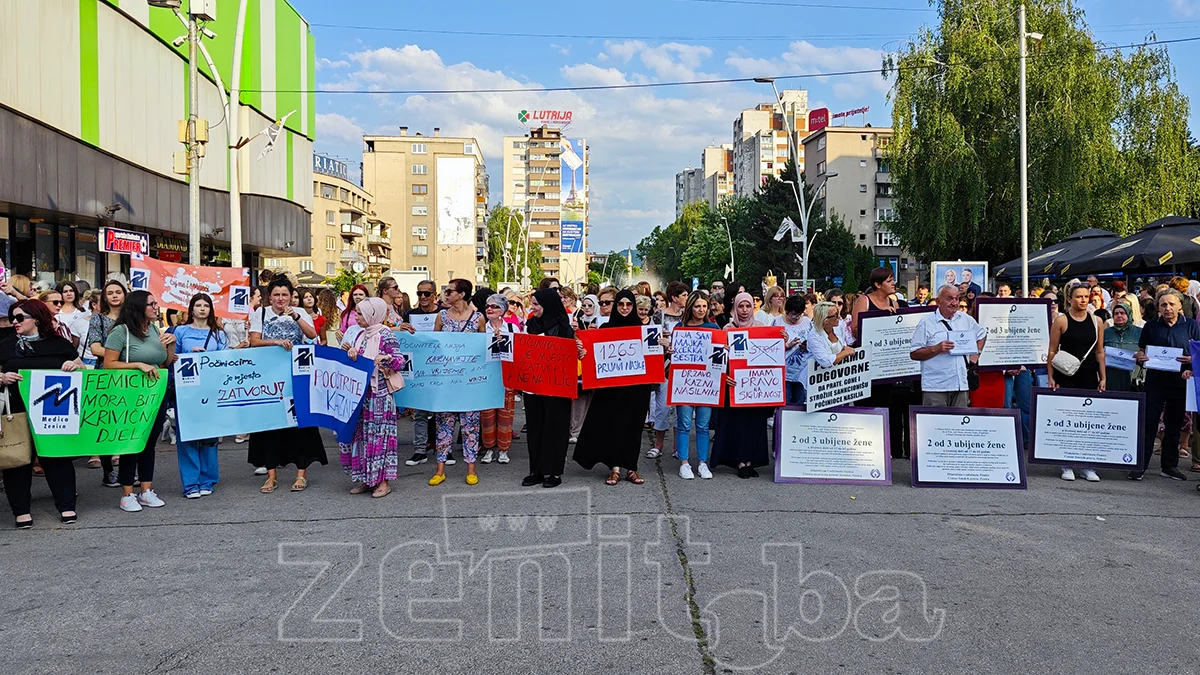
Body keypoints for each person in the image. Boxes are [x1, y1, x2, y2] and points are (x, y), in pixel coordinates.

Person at [0, 300, 84, 527]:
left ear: (36, 318)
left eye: (20, 318)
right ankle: (21, 511)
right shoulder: (5, 345)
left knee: (57, 458)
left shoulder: (60, 344)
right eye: (12, 318)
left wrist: (74, 367)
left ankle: (66, 506)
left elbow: (83, 370)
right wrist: (2, 378)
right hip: (16, 411)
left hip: (53, 412)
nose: (14, 322)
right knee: (18, 458)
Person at [248, 278, 327, 493]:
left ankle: (301, 473)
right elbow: (254, 340)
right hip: (269, 376)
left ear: (291, 296)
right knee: (270, 425)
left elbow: (312, 335)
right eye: (276, 295)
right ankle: (271, 475)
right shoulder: (260, 313)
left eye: (285, 294)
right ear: (269, 296)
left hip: (297, 375)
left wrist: (295, 316)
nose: (280, 299)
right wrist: (275, 342)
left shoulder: (300, 311)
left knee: (300, 424)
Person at [104, 290, 176, 512]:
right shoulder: (121, 332)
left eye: (156, 303)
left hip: (155, 393)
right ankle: (127, 493)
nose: (156, 308)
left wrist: (172, 343)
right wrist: (136, 365)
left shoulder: (154, 329)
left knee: (150, 442)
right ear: (138, 307)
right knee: (132, 442)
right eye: (151, 304)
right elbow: (109, 364)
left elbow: (164, 362)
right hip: (131, 395)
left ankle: (146, 490)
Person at [574, 290, 654, 485]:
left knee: (634, 426)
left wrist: (661, 345)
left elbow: (654, 356)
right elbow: (594, 356)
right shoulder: (606, 328)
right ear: (616, 306)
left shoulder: (644, 330)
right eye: (621, 304)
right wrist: (583, 352)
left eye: (628, 304)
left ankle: (632, 468)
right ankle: (615, 468)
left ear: (634, 306)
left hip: (637, 388)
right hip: (612, 388)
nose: (625, 308)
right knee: (615, 425)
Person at [1133, 289, 1200, 481]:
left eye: (1171, 304)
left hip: (1180, 382)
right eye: (1163, 305)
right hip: (1155, 382)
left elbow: (1198, 353)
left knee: (1174, 425)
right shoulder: (1151, 326)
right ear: (1158, 308)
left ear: (1180, 306)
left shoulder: (1192, 326)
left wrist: (1191, 359)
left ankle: (1169, 466)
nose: (1168, 308)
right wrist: (1141, 358)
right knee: (1148, 424)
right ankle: (1141, 465)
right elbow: (1141, 351)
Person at [341, 297, 405, 498]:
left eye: (360, 313)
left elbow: (400, 361)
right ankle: (367, 478)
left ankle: (383, 481)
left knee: (379, 437)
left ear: (372, 314)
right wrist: (351, 353)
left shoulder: (385, 335)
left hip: (379, 395)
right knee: (361, 437)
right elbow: (358, 361)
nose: (357, 317)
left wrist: (386, 358)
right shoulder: (360, 335)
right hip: (361, 394)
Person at [423, 278, 485, 486]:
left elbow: (483, 350)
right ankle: (440, 469)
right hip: (446, 381)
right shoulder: (441, 316)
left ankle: (471, 468)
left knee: (471, 426)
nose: (446, 295)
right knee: (443, 424)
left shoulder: (478, 319)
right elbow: (434, 345)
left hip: (469, 382)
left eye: (450, 292)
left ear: (462, 294)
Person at [709, 292, 775, 478]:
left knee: (754, 423)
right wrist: (725, 375)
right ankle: (740, 461)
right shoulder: (727, 329)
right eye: (741, 306)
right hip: (734, 386)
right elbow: (718, 360)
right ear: (734, 308)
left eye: (748, 306)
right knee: (737, 424)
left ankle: (751, 460)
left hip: (755, 387)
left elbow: (771, 356)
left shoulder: (762, 328)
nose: (744, 311)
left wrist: (782, 341)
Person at [1047, 282, 1107, 482]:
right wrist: (1050, 377)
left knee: (1088, 421)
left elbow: (1100, 352)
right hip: (1066, 374)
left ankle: (1087, 465)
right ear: (1070, 299)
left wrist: (1103, 377)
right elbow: (1052, 351)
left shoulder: (1097, 321)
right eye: (1079, 296)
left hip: (1089, 375)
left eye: (1086, 296)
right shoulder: (1061, 321)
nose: (1083, 300)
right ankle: (1066, 463)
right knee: (1068, 420)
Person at [172, 293, 228, 498]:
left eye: (206, 305)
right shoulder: (180, 331)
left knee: (209, 436)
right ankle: (190, 483)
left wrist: (207, 356)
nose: (202, 309)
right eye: (198, 305)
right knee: (186, 436)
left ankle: (207, 479)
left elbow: (225, 360)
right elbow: (172, 358)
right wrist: (189, 356)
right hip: (186, 390)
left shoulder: (219, 334)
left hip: (210, 389)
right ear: (191, 309)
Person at [523, 288, 580, 488]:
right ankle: (536, 471)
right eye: (532, 304)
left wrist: (578, 350)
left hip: (557, 389)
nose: (533, 308)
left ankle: (554, 472)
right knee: (535, 429)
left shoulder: (564, 327)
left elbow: (570, 355)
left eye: (537, 304)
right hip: (533, 387)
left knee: (555, 429)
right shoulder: (529, 324)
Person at [910, 285, 987, 407]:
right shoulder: (926, 323)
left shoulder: (965, 319)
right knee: (936, 425)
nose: (955, 303)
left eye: (957, 298)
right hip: (936, 387)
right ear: (938, 301)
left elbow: (982, 334)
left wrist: (976, 353)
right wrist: (937, 348)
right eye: (950, 298)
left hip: (960, 384)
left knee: (959, 424)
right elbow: (914, 353)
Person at [673, 290, 718, 479]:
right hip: (685, 382)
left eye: (704, 306)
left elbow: (719, 359)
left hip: (706, 384)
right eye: (697, 306)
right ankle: (684, 462)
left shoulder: (714, 328)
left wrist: (723, 349)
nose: (701, 309)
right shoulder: (679, 327)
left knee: (703, 425)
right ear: (690, 307)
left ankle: (702, 463)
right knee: (683, 423)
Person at [85, 280, 128, 482]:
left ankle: (129, 469)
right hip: (107, 374)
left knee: (129, 419)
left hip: (130, 375)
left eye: (118, 292)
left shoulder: (132, 319)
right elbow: (95, 348)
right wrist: (121, 356)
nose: (114, 296)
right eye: (110, 293)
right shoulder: (98, 320)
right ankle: (108, 469)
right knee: (106, 421)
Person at [400, 279, 444, 466]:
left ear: (434, 294)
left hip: (438, 367)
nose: (423, 297)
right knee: (419, 412)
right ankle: (420, 450)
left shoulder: (443, 313)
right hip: (418, 368)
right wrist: (401, 328)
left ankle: (444, 449)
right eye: (419, 294)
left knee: (442, 411)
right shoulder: (409, 314)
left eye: (426, 293)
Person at [480, 294, 517, 465]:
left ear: (502, 310)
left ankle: (504, 449)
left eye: (494, 306)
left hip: (505, 377)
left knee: (505, 415)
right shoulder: (481, 329)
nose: (490, 309)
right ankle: (488, 448)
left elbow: (520, 351)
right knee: (487, 415)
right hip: (486, 377)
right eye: (488, 306)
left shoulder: (511, 329)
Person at [638, 295, 671, 458]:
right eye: (640, 309)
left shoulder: (657, 324)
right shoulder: (629, 325)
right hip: (638, 372)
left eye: (645, 309)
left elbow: (668, 346)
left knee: (663, 408)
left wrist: (666, 343)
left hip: (659, 370)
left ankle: (659, 444)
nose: (643, 312)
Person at [1104, 302, 1142, 394]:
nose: (1119, 315)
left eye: (1122, 313)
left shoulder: (1140, 332)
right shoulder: (1106, 332)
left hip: (1132, 375)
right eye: (1116, 313)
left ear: (1129, 314)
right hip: (1111, 375)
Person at [781, 294, 812, 406]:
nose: (796, 318)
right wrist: (787, 345)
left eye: (799, 315)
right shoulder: (777, 322)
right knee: (785, 405)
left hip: (802, 372)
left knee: (799, 405)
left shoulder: (808, 322)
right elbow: (770, 347)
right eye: (793, 315)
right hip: (784, 373)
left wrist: (807, 345)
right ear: (787, 311)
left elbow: (815, 343)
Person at [56, 281, 89, 353]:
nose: (69, 294)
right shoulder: (56, 311)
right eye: (65, 291)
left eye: (71, 291)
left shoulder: (84, 311)